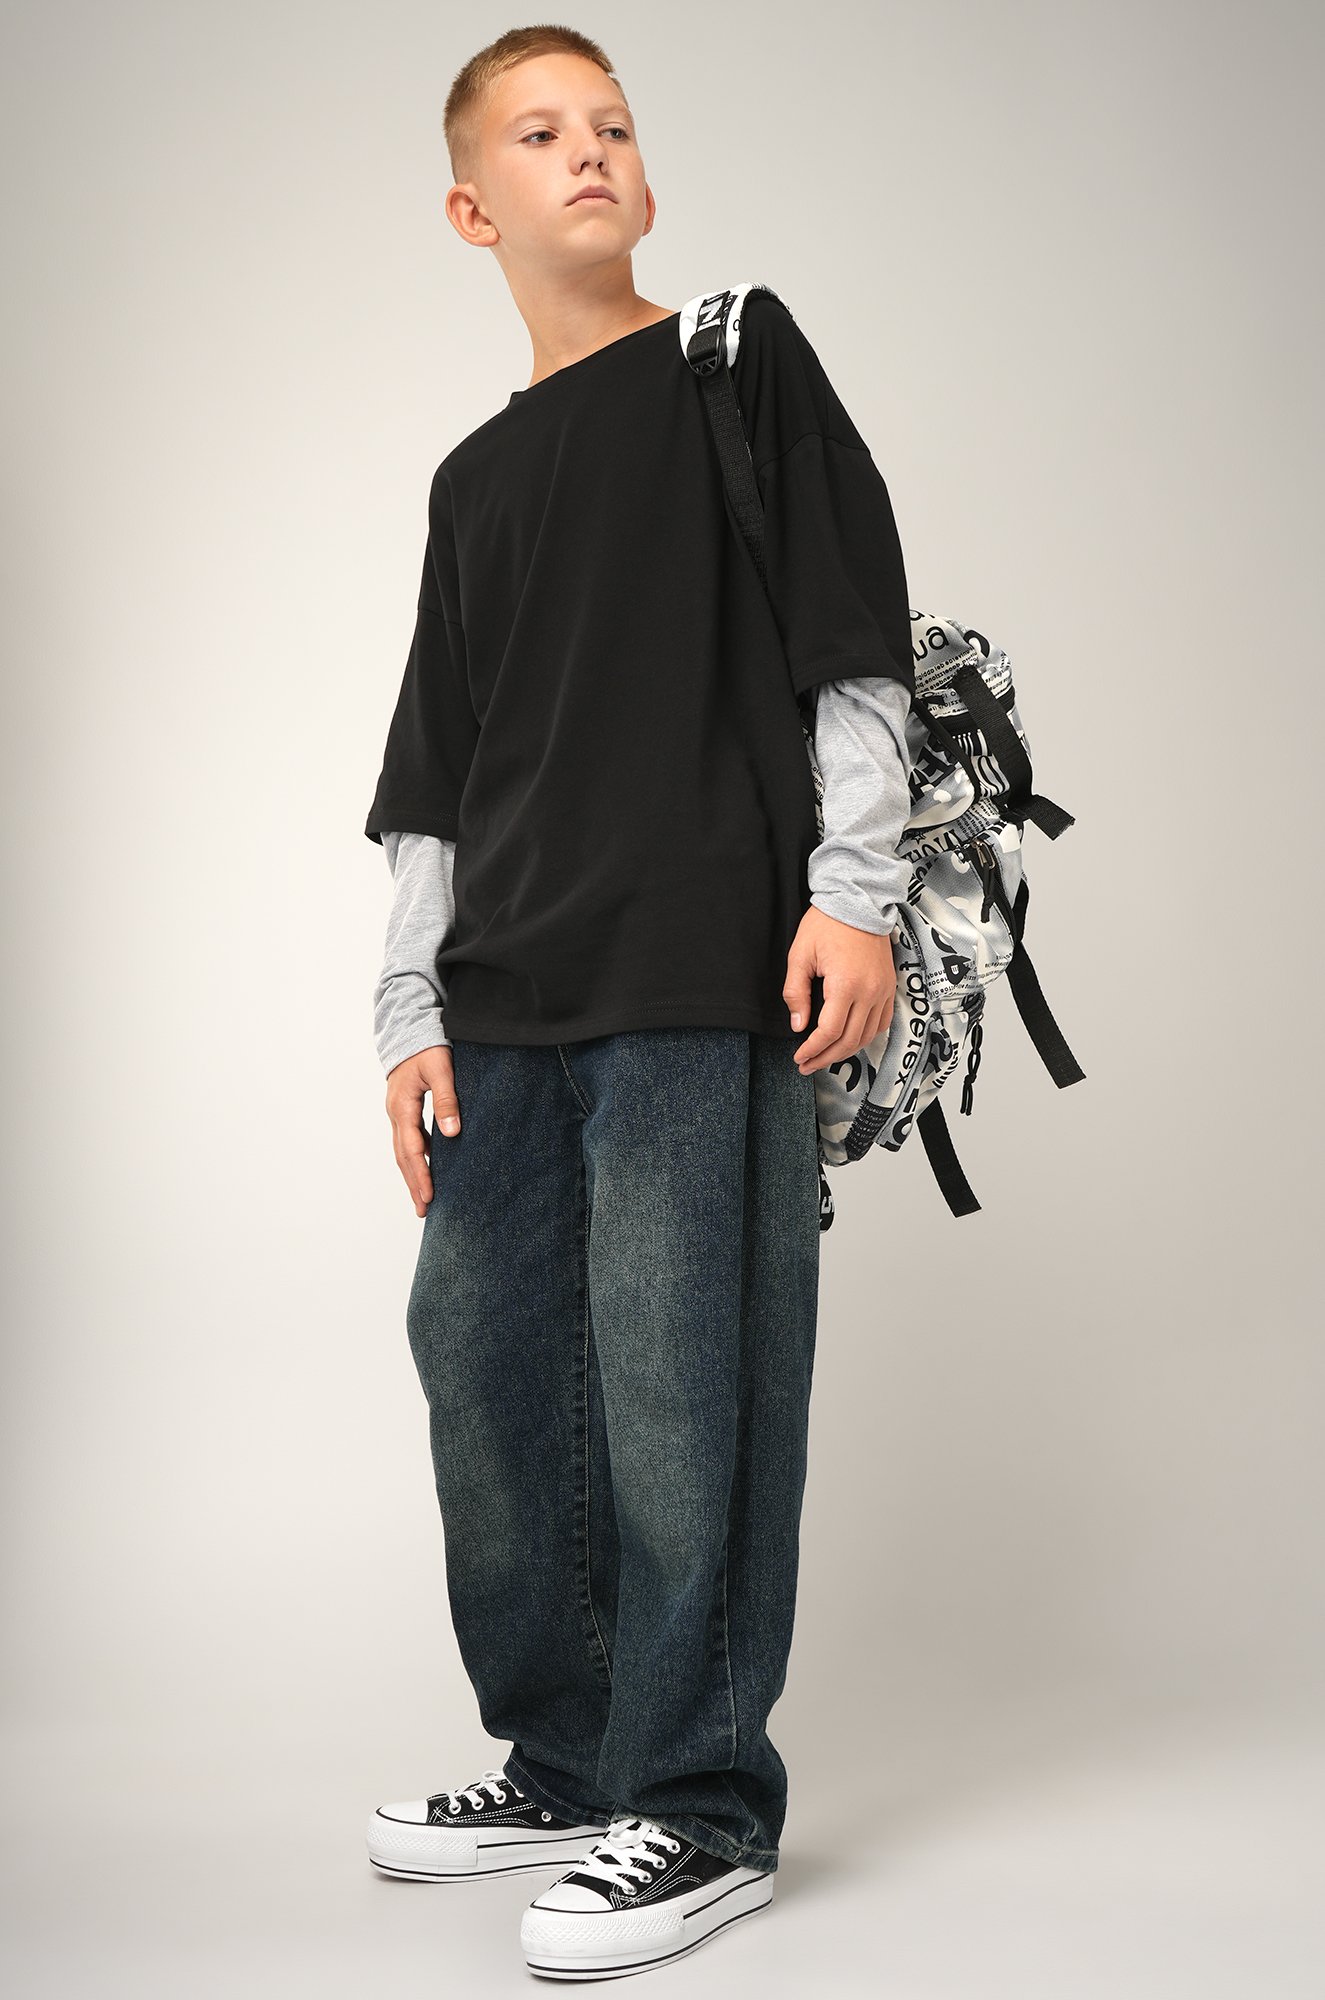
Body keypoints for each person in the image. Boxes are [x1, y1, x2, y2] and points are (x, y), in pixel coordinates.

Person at [360, 24, 915, 1981]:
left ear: (646, 182)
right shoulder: (471, 480)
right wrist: (407, 1007)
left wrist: (854, 894)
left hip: (699, 963)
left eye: (610, 125)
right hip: (505, 994)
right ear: (472, 208)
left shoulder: (735, 361)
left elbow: (851, 638)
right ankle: (570, 1759)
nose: (585, 150)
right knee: (489, 1370)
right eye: (538, 132)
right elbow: (435, 771)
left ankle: (699, 1800)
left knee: (685, 1392)